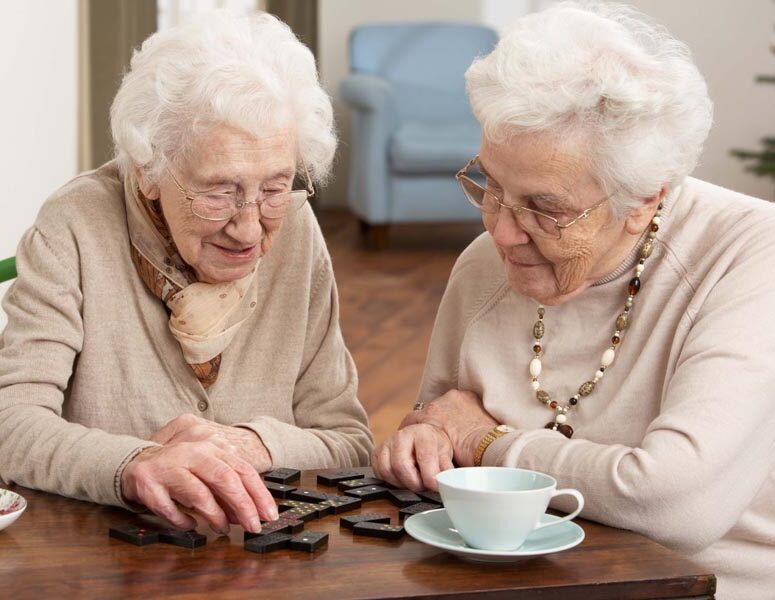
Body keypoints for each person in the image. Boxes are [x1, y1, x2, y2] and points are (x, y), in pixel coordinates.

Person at [372, 2, 775, 598]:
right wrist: (421, 446)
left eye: (545, 208)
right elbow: (440, 440)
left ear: (644, 198)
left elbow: (676, 504)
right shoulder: (484, 266)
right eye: (491, 186)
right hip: (506, 582)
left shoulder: (749, 257)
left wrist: (488, 444)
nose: (503, 232)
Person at [0, 11, 373, 536]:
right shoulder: (75, 226)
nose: (248, 229)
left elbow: (348, 439)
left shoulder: (295, 224)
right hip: (102, 559)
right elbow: (11, 426)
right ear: (149, 170)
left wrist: (247, 443)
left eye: (273, 186)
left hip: (258, 558)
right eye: (220, 191)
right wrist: (134, 464)